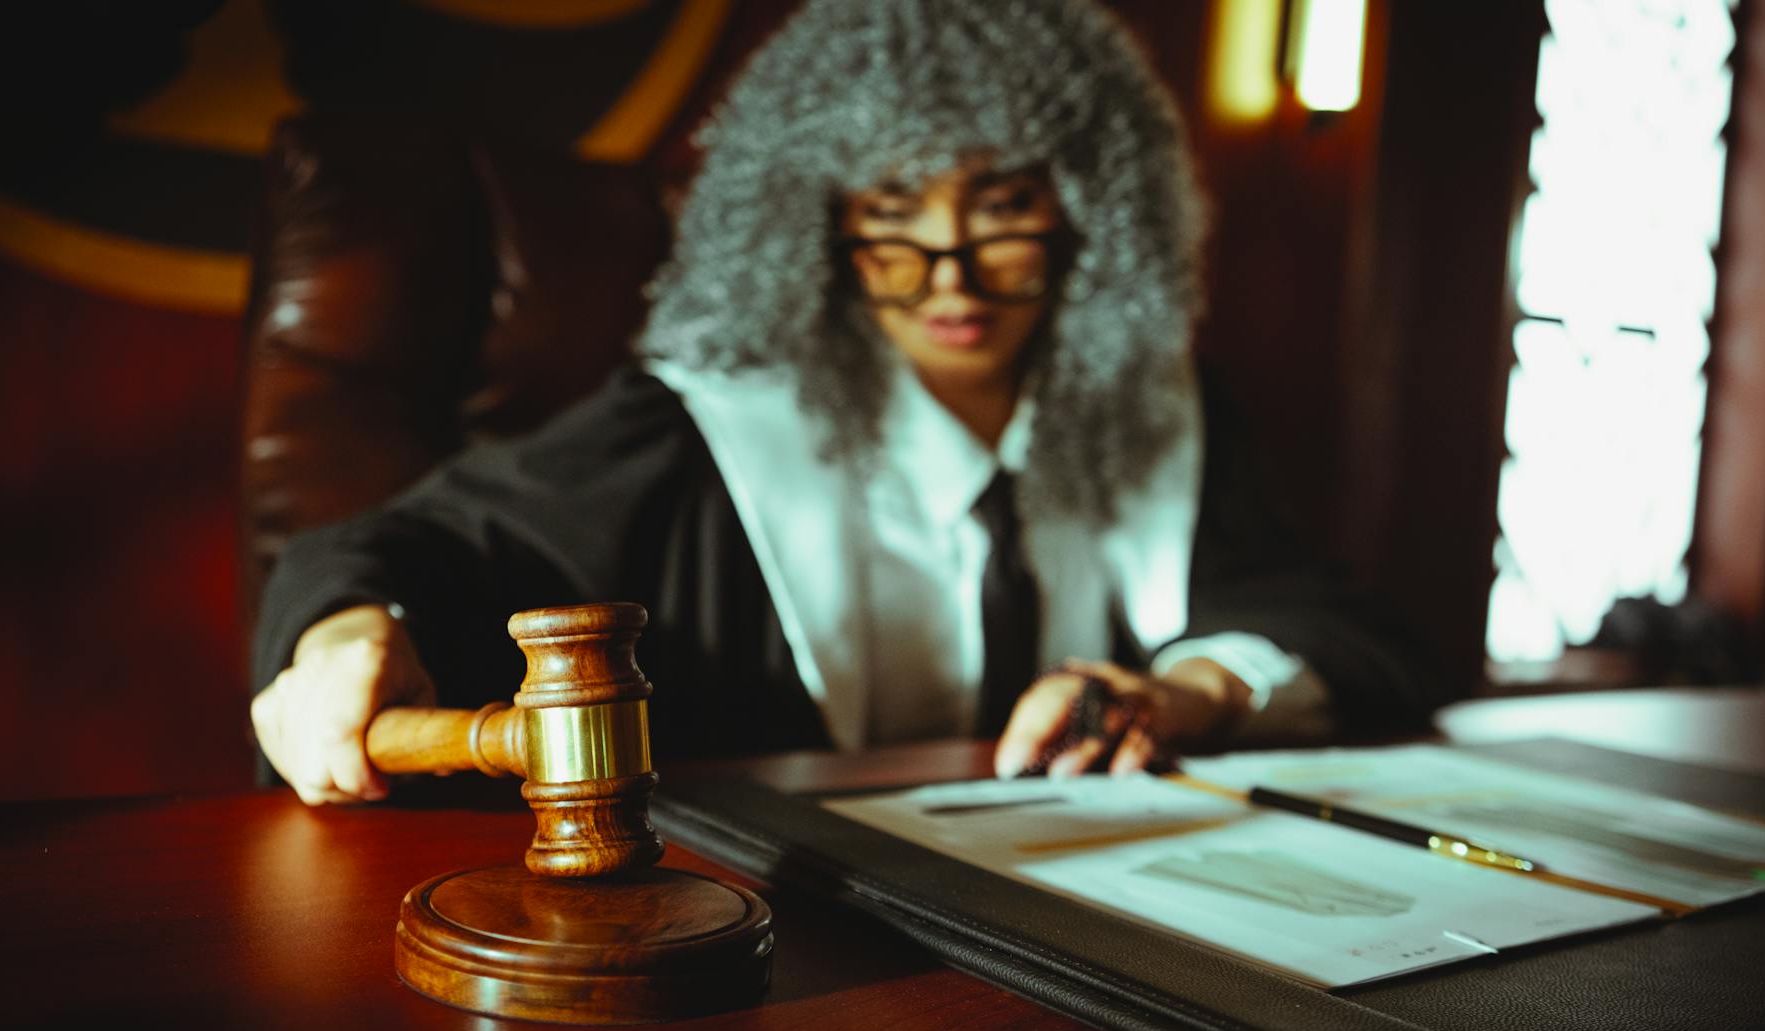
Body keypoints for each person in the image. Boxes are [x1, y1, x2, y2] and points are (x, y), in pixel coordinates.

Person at [251, 0, 1439, 806]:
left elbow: (1345, 630)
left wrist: (1178, 692)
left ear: (1089, 211)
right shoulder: (696, 426)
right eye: (892, 224)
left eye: (1003, 216)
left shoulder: (1167, 416)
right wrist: (349, 634)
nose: (951, 281)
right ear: (815, 228)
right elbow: (403, 548)